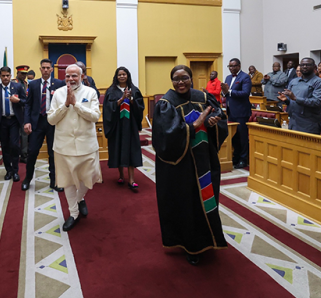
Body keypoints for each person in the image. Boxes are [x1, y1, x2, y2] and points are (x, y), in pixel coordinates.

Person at [152, 65, 229, 265]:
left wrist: (212, 122)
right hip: (180, 165)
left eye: (184, 78)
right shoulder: (166, 103)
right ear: (171, 81)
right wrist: (193, 126)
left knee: (206, 199)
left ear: (191, 78)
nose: (181, 82)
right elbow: (164, 138)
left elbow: (220, 117)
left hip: (204, 160)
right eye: (176, 79)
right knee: (186, 203)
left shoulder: (203, 98)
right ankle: (190, 245)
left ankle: (209, 237)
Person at [47, 64, 103, 232]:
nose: (70, 79)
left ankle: (79, 199)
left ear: (82, 76)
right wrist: (65, 105)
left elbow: (95, 116)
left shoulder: (90, 92)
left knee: (91, 176)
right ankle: (73, 213)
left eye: (74, 76)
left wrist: (76, 105)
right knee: (68, 182)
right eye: (68, 76)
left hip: (87, 145)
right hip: (63, 146)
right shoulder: (58, 93)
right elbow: (51, 120)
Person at [24, 59, 66, 191]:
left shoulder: (59, 84)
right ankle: (27, 179)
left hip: (53, 122)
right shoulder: (34, 84)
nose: (46, 70)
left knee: (53, 153)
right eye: (43, 67)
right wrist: (27, 121)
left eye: (48, 67)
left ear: (52, 69)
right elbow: (28, 104)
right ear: (40, 69)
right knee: (32, 152)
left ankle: (54, 181)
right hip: (37, 122)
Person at [103, 67, 145, 192]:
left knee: (131, 150)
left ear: (128, 76)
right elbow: (108, 108)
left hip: (130, 125)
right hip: (117, 126)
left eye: (124, 74)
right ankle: (121, 176)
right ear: (116, 77)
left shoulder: (134, 90)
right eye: (119, 74)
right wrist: (122, 99)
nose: (122, 76)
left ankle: (131, 180)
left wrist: (131, 99)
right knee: (118, 149)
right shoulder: (111, 91)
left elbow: (140, 107)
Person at [0, 66, 27, 181]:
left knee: (14, 145)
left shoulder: (17, 87)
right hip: (2, 121)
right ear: (0, 76)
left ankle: (15, 171)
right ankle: (8, 171)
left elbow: (26, 101)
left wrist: (18, 100)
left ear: (10, 76)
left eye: (7, 75)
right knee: (5, 146)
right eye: (3, 76)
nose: (5, 78)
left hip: (14, 120)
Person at [279, 58, 321, 134]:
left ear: (314, 67)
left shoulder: (319, 82)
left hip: (308, 123)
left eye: (307, 65)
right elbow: (291, 100)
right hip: (293, 121)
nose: (304, 66)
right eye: (302, 65)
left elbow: (317, 102)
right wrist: (286, 100)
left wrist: (295, 98)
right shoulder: (294, 81)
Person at [221, 58, 252, 169]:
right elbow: (225, 93)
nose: (231, 68)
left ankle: (244, 159)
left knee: (242, 136)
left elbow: (245, 93)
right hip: (231, 111)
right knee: (234, 136)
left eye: (233, 66)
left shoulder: (245, 77)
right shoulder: (228, 78)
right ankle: (236, 157)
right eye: (230, 66)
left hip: (241, 112)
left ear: (239, 66)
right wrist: (224, 92)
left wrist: (229, 91)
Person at [15, 65, 32, 173]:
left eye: (25, 74)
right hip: (16, 111)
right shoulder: (14, 83)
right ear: (18, 73)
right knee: (15, 135)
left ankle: (24, 155)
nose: (24, 76)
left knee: (25, 134)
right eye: (22, 74)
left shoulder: (26, 83)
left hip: (24, 111)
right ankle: (15, 154)